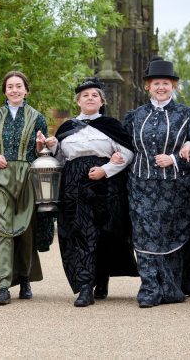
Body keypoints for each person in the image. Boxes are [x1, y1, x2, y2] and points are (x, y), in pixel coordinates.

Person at [40, 78, 138, 307]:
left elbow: (127, 153)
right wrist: (51, 146)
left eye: (95, 95)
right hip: (73, 185)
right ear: (78, 101)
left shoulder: (111, 125)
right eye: (85, 95)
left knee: (103, 232)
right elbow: (61, 159)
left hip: (104, 186)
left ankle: (101, 277)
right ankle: (85, 286)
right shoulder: (66, 127)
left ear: (101, 101)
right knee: (78, 233)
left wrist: (106, 169)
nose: (90, 98)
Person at [123, 57, 190, 308]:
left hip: (177, 188)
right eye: (156, 83)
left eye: (166, 83)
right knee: (144, 236)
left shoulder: (188, 114)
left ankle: (170, 288)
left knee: (170, 237)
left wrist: (175, 158)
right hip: (140, 186)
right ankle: (149, 288)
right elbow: (123, 146)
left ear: (174, 86)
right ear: (148, 86)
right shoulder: (134, 116)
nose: (161, 87)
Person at [0, 71, 48, 305]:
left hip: (27, 175)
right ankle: (4, 285)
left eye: (19, 86)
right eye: (10, 87)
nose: (15, 90)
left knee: (25, 229)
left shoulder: (38, 117)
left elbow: (43, 153)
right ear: (5, 91)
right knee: (2, 230)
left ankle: (25, 277)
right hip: (0, 175)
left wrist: (40, 146)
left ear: (26, 90)